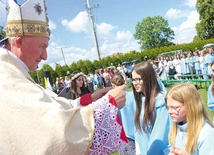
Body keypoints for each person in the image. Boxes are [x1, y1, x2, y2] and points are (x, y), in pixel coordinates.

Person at [0, 0, 127, 154]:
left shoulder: (12, 70)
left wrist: (90, 100)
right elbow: (53, 135)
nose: (45, 56)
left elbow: (49, 107)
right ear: (19, 41)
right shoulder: (6, 77)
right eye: (42, 46)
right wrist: (108, 104)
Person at [126, 61, 171, 155]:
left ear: (148, 79)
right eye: (133, 80)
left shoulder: (160, 103)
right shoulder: (141, 99)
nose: (134, 83)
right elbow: (139, 133)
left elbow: (160, 137)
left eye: (138, 79)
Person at [165, 83, 214, 155]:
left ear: (190, 106)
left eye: (175, 107)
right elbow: (169, 149)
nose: (169, 112)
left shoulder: (205, 133)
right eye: (168, 107)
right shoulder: (174, 129)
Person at [111, 73, 136, 155]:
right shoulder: (133, 95)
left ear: (113, 85)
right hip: (137, 132)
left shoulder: (113, 100)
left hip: (123, 135)